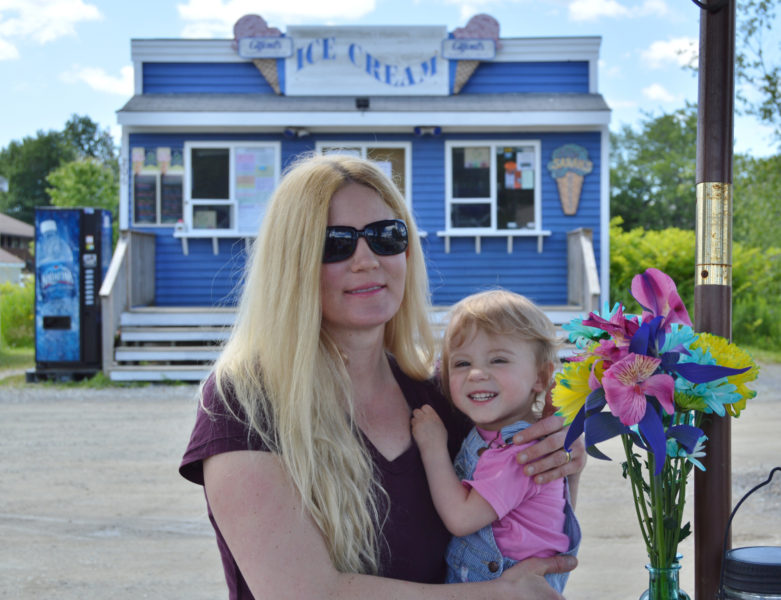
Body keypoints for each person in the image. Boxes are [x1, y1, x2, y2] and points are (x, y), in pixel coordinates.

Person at [179, 153, 585, 600]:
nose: (367, 259)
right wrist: (495, 596)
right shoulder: (245, 403)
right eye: (335, 243)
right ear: (291, 263)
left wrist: (560, 466)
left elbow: (517, 548)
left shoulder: (440, 398)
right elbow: (305, 593)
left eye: (385, 236)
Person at [411, 290, 581, 592]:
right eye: (461, 364)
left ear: (540, 378)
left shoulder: (521, 451)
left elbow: (461, 519)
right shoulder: (493, 437)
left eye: (498, 360)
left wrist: (433, 447)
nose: (476, 373)